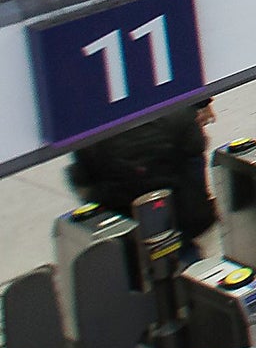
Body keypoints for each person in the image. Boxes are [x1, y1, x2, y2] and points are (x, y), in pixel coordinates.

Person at [70, 100, 219, 263]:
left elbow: (82, 180)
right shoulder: (176, 111)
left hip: (125, 231)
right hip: (181, 218)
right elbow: (196, 148)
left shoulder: (88, 126)